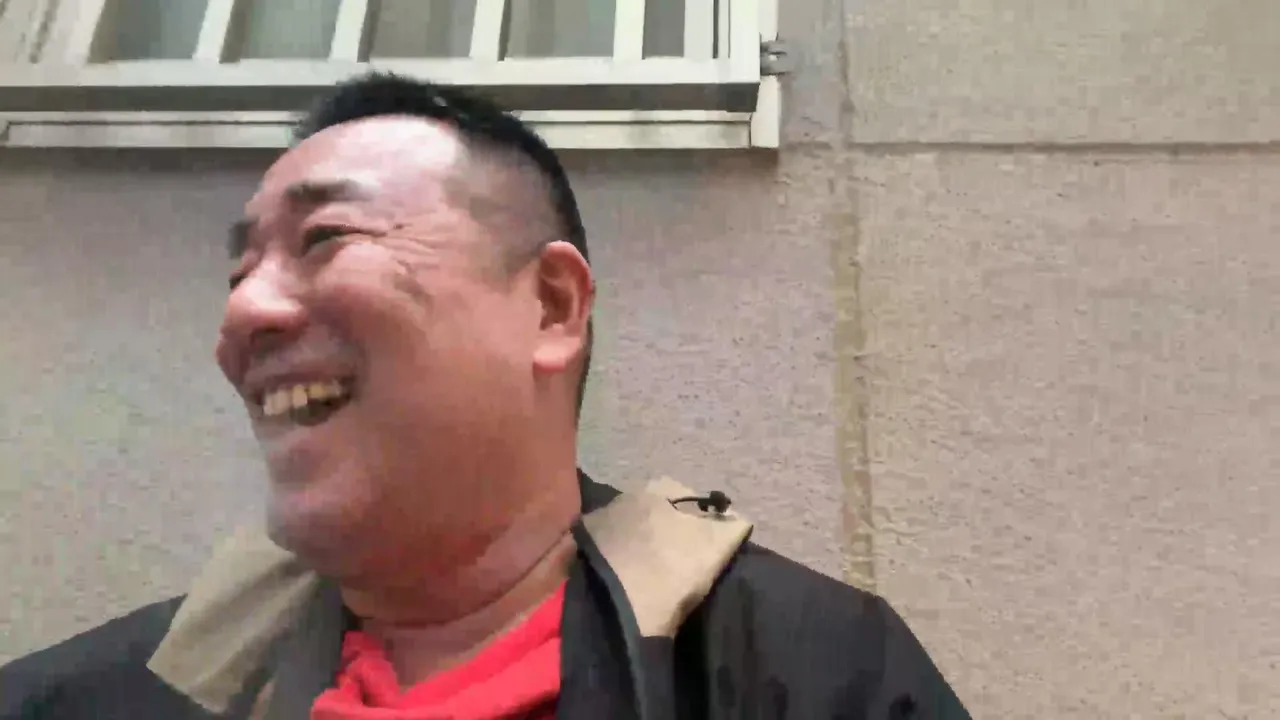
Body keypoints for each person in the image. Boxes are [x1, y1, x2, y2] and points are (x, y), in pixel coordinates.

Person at [0, 73, 970, 720]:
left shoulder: (811, 674)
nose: (243, 314)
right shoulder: (83, 697)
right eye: (236, 273)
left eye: (326, 237)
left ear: (550, 307)